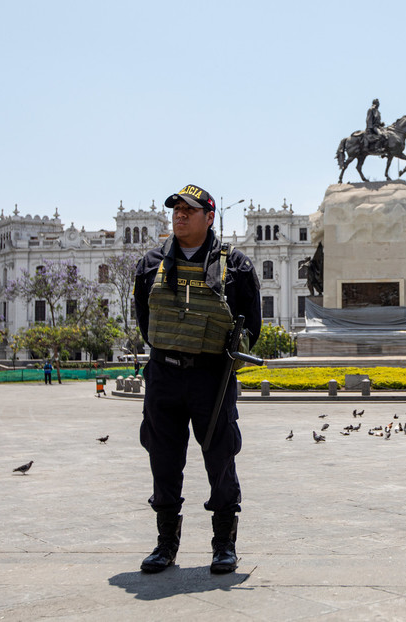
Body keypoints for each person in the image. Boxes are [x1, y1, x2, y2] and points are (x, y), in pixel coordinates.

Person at [134, 182, 261, 576]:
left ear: (210, 217)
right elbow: (145, 320)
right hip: (164, 376)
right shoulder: (151, 262)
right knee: (163, 462)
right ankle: (165, 544)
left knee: (220, 460)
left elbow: (251, 325)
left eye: (189, 210)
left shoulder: (235, 265)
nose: (180, 215)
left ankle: (224, 545)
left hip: (212, 379)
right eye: (176, 209)